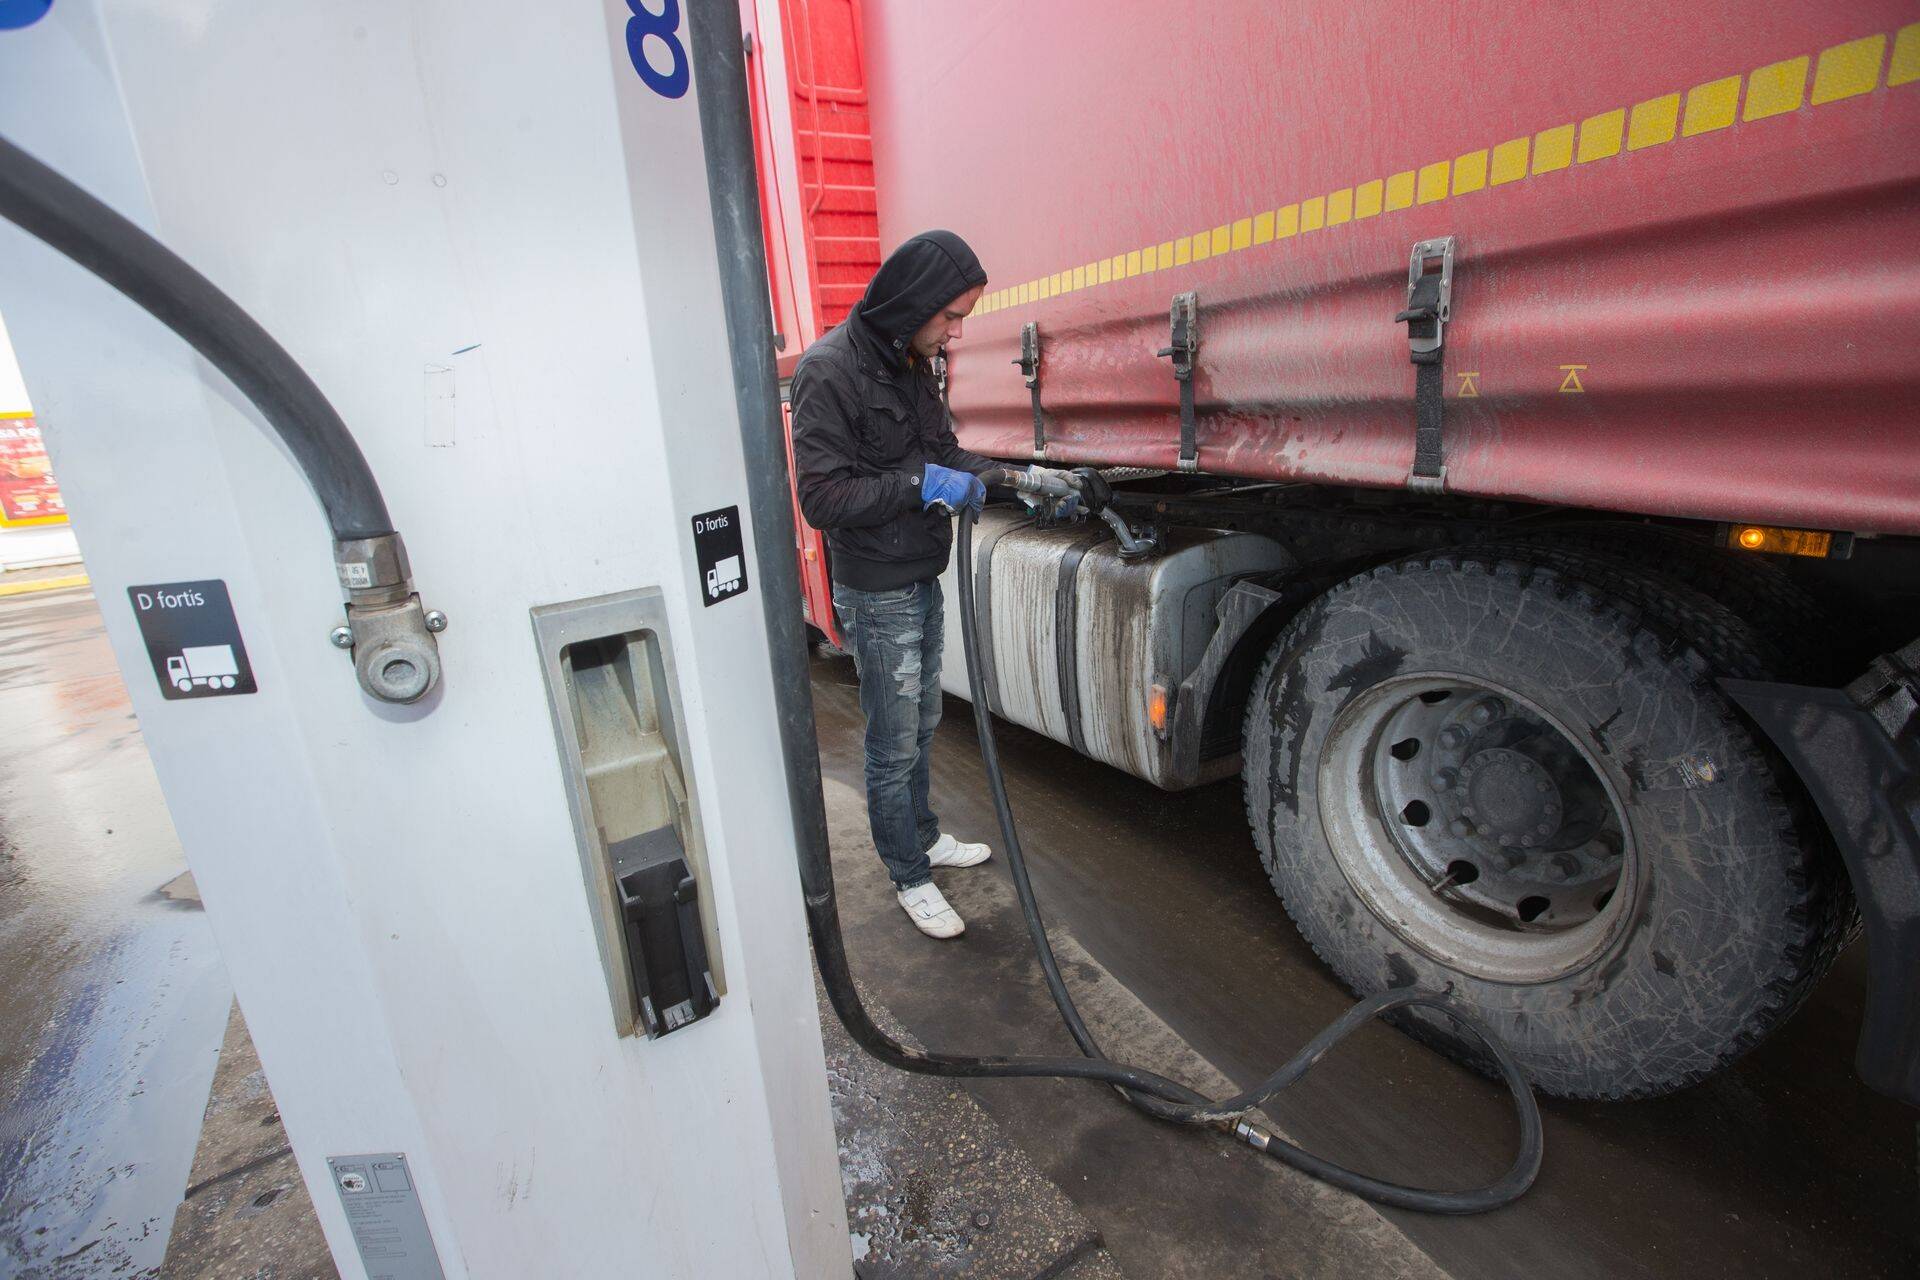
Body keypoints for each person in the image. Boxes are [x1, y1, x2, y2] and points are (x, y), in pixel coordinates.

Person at [792, 230, 1063, 939]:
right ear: (910, 304)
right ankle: (909, 874)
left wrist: (1016, 478)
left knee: (923, 723)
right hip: (876, 588)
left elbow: (944, 453)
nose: (956, 332)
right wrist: (919, 484)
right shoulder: (829, 371)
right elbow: (822, 497)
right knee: (892, 741)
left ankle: (924, 834)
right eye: (950, 316)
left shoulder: (913, 364)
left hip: (919, 573)